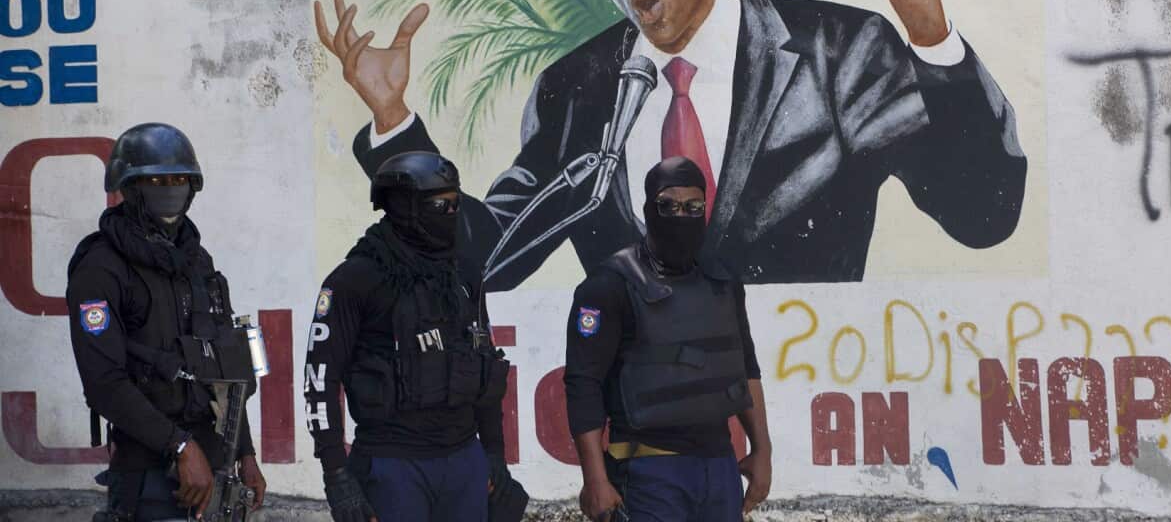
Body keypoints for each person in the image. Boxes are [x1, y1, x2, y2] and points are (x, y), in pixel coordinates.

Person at [316, 0, 1026, 288]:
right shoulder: (575, 89)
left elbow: (983, 216)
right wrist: (393, 122)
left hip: (805, 395)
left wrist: (931, 37)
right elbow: (489, 258)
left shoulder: (839, 52)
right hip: (643, 424)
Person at [303, 151, 525, 522]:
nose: (452, 214)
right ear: (404, 207)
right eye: (441, 205)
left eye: (456, 204)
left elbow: (483, 365)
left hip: (464, 460)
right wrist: (337, 476)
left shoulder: (464, 274)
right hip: (392, 465)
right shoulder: (357, 279)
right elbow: (319, 381)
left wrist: (494, 455)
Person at [66, 123, 266, 521]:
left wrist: (245, 452)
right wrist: (180, 447)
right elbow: (104, 383)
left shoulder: (196, 261)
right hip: (149, 472)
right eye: (156, 181)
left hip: (214, 466)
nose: (170, 189)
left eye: (179, 180)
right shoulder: (101, 267)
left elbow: (225, 364)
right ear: (130, 187)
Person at [564, 157, 771, 521]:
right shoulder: (609, 285)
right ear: (649, 210)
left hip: (719, 465)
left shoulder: (722, 282)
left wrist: (762, 450)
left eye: (693, 207)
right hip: (648, 471)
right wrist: (594, 478)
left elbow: (746, 368)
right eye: (668, 206)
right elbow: (583, 383)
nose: (681, 215)